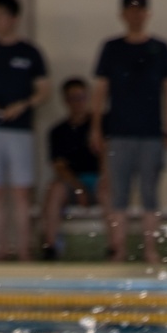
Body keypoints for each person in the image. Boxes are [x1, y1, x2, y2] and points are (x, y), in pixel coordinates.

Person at [91, 0, 167, 264]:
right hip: (119, 132)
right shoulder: (111, 48)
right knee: (117, 193)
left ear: (147, 14)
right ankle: (118, 249)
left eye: (140, 10)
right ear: (122, 14)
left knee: (150, 194)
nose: (135, 15)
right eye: (130, 10)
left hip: (151, 133)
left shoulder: (160, 48)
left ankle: (150, 250)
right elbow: (100, 91)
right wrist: (96, 127)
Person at [0, 0, 49, 262]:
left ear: (14, 18)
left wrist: (24, 104)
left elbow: (43, 91)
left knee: (20, 191)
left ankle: (24, 250)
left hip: (20, 130)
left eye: (0, 15)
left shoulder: (30, 53)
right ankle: (2, 247)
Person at [41, 77, 107, 260]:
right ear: (65, 100)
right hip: (72, 182)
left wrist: (104, 179)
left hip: (98, 181)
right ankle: (51, 246)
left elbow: (108, 157)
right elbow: (59, 166)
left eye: (81, 97)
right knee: (54, 190)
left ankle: (115, 248)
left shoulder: (100, 125)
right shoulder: (58, 132)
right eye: (73, 98)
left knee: (108, 191)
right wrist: (78, 187)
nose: (78, 102)